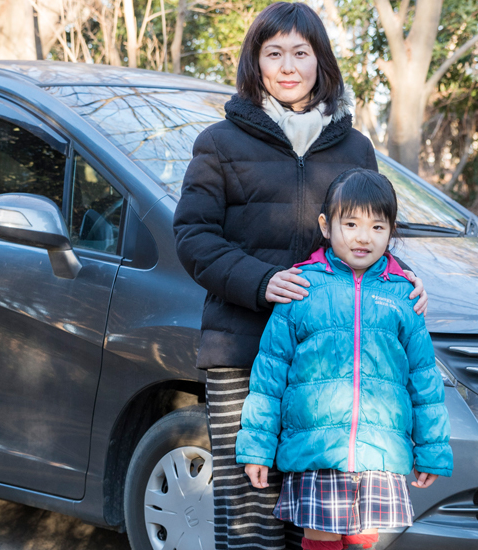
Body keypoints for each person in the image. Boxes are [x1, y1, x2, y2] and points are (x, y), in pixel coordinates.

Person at [172, 3, 429, 549]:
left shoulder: (353, 146)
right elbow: (193, 238)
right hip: (241, 346)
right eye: (273, 53)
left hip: (330, 358)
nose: (288, 66)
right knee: (251, 510)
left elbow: (369, 229)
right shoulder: (219, 143)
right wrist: (262, 281)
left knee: (318, 514)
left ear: (321, 62)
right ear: (255, 62)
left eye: (300, 53)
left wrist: (402, 276)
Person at [235, 169, 453, 550]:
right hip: (318, 449)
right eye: (350, 223)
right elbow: (270, 374)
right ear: (326, 225)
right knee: (320, 540)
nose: (363, 237)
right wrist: (256, 446)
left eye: (377, 226)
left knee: (363, 539)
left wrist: (431, 449)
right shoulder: (301, 287)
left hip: (379, 450)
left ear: (391, 232)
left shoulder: (403, 295)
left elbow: (423, 381)